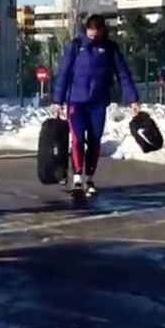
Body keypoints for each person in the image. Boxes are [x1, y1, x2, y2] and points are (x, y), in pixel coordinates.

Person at [51, 14, 140, 195]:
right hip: (76, 101)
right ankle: (77, 179)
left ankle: (90, 178)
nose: (93, 33)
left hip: (98, 103)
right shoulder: (75, 46)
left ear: (102, 30)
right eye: (91, 30)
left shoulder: (109, 48)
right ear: (86, 29)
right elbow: (63, 74)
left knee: (94, 140)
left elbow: (123, 75)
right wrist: (57, 101)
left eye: (97, 30)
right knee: (77, 140)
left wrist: (132, 99)